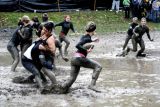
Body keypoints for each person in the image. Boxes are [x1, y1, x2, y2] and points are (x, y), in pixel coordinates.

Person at [59, 21, 102, 93]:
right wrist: (86, 50)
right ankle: (92, 85)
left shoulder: (84, 36)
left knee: (72, 79)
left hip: (74, 59)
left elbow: (84, 41)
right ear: (94, 31)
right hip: (79, 58)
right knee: (98, 66)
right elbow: (78, 45)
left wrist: (92, 40)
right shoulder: (87, 38)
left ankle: (61, 89)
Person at [21, 22, 57, 90]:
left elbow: (53, 51)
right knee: (37, 72)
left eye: (45, 30)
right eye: (43, 29)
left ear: (50, 31)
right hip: (26, 59)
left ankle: (54, 84)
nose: (43, 31)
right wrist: (39, 39)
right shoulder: (44, 35)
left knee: (43, 70)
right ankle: (42, 89)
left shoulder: (50, 39)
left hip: (36, 58)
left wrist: (44, 48)